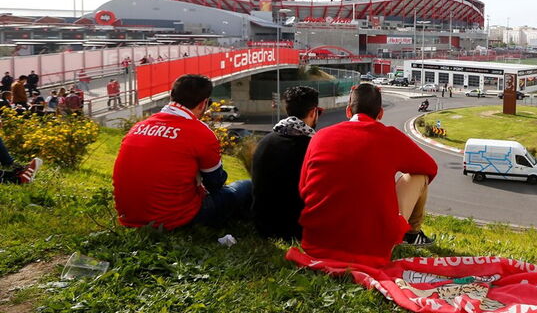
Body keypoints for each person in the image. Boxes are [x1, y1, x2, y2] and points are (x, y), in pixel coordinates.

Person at [298, 83, 438, 266]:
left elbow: (303, 189)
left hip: (315, 244)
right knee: (419, 176)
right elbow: (430, 168)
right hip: (372, 251)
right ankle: (412, 233)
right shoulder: (391, 137)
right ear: (380, 114)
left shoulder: (320, 136)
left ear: (348, 111)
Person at [112, 74, 253, 230]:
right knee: (246, 186)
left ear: (171, 96)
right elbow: (215, 183)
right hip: (176, 221)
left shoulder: (138, 127)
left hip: (129, 218)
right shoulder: (201, 133)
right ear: (203, 104)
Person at [251, 86, 322, 240]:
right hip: (296, 229)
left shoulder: (265, 142)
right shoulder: (314, 149)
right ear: (313, 112)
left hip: (263, 225)